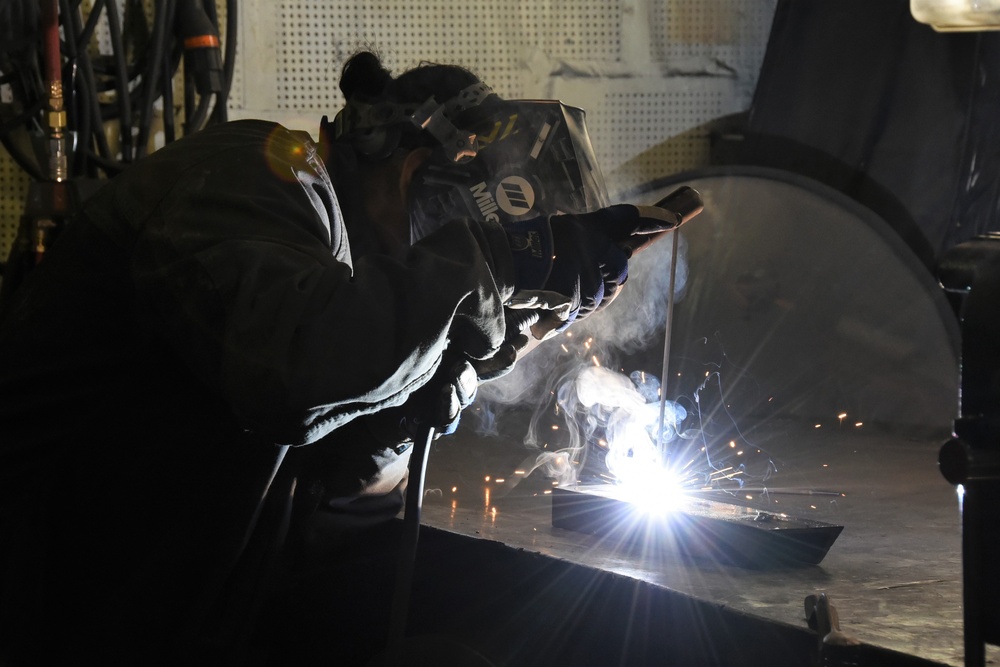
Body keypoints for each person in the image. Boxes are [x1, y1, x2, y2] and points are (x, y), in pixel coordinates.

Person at [0, 50, 680, 665]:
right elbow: (296, 368)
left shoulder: (344, 289)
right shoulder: (268, 170)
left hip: (145, 618)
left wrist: (436, 382)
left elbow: (328, 496)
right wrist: (496, 266)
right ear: (416, 170)